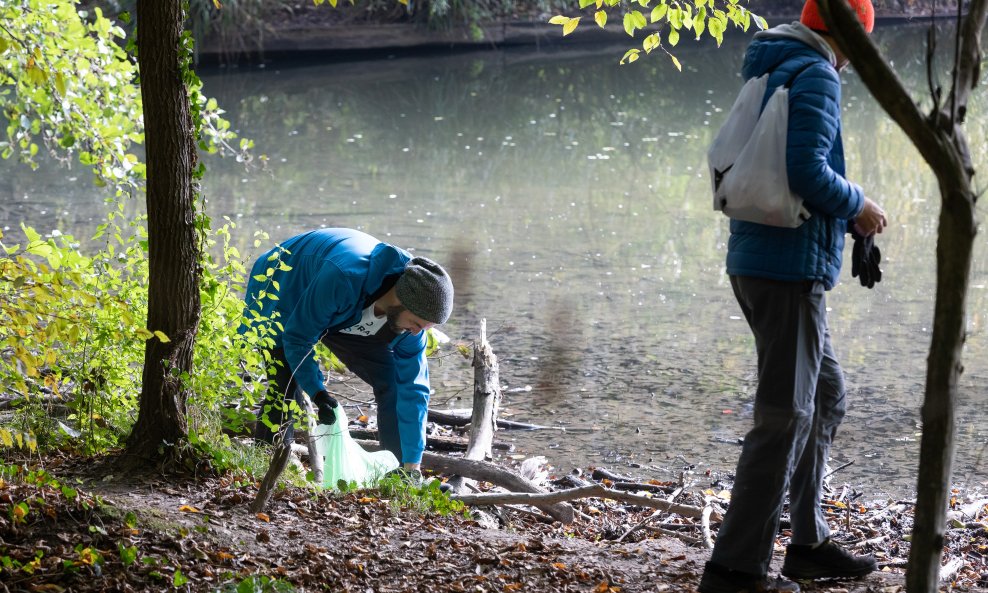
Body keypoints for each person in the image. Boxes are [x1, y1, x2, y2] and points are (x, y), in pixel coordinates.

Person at [699, 1, 887, 592]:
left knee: (825, 397)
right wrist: (859, 205)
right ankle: (736, 570)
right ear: (849, 36)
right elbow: (805, 170)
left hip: (759, 261)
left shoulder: (773, 64)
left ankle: (807, 543)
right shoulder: (818, 73)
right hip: (787, 271)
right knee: (784, 418)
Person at [240, 228, 454, 476]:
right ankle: (266, 466)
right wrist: (318, 392)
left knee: (394, 382)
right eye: (417, 324)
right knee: (286, 383)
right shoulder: (344, 276)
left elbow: (413, 390)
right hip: (285, 282)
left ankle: (397, 474)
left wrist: (413, 464)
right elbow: (298, 337)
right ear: (401, 299)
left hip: (344, 312)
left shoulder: (411, 325)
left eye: (426, 328)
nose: (417, 333)